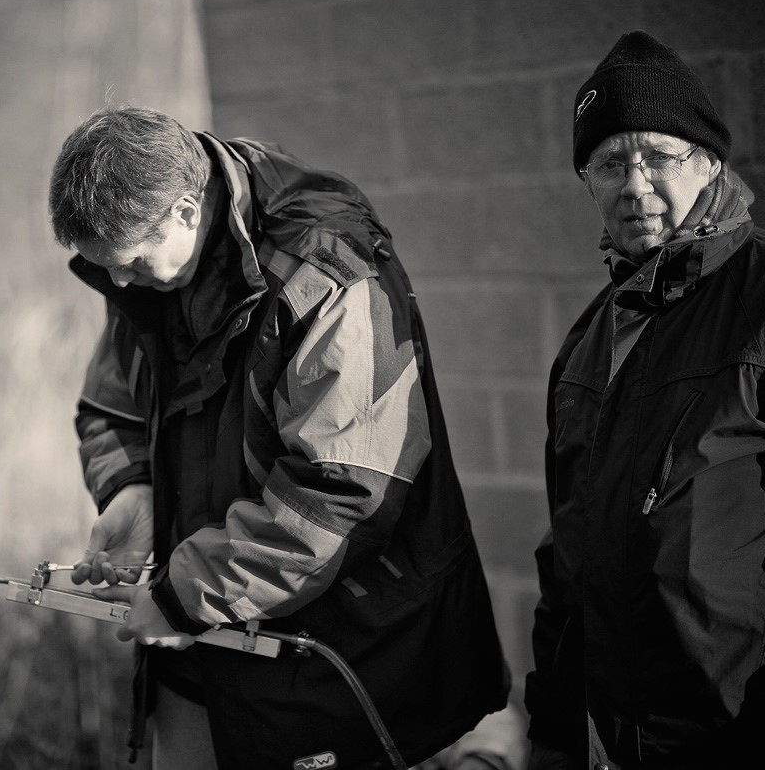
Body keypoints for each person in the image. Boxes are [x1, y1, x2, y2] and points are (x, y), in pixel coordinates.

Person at [48, 104, 510, 769]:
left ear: (185, 209)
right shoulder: (149, 270)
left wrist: (186, 594)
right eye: (108, 267)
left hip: (333, 660)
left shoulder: (326, 274)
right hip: (196, 650)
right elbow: (110, 404)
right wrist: (130, 492)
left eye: (133, 263)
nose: (120, 283)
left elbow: (340, 494)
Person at [526, 30, 765, 770]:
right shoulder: (584, 346)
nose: (634, 184)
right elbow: (566, 560)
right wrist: (549, 728)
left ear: (709, 163)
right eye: (609, 164)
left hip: (758, 740)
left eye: (658, 157)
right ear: (588, 185)